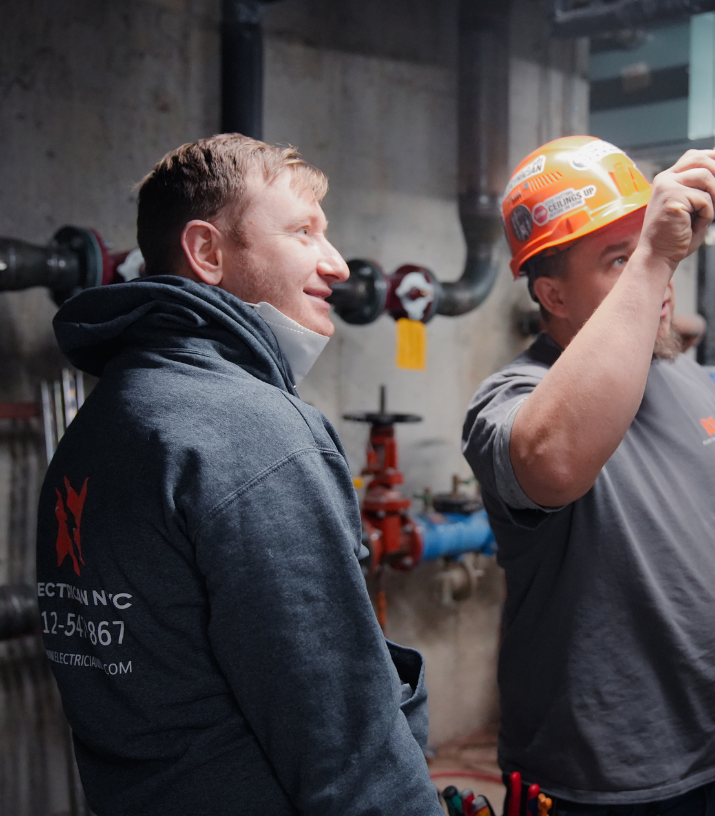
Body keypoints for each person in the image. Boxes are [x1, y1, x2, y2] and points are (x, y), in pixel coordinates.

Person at [35, 134, 442, 816]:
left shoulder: (101, 423)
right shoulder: (250, 431)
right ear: (208, 253)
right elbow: (341, 731)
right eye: (305, 232)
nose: (338, 265)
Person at [462, 137, 715, 815]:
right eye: (619, 261)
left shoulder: (684, 374)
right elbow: (554, 463)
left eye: (650, 253)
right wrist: (653, 254)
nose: (657, 282)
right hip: (598, 778)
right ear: (552, 294)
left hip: (713, 750)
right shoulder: (511, 401)